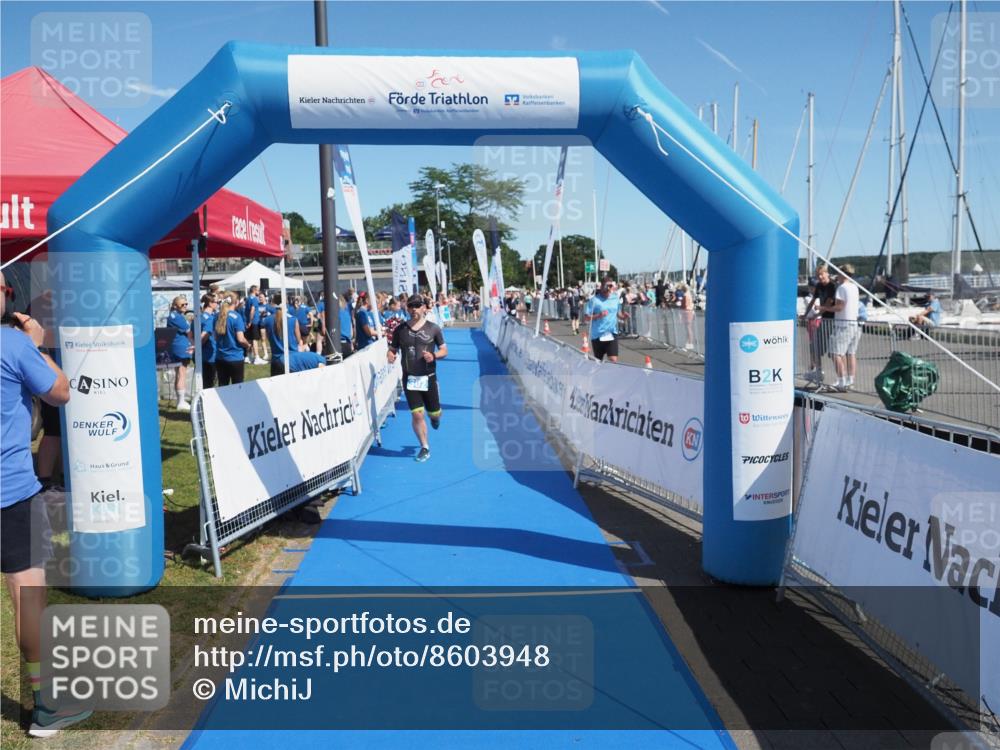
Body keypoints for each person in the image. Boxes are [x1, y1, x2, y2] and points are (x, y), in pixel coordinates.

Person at [1, 273, 91, 736]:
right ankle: (46, 706)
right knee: (27, 592)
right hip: (10, 492)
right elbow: (61, 391)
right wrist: (34, 344)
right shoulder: (12, 346)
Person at [387, 294, 448, 463]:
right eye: (410, 306)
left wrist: (434, 355)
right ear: (407, 308)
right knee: (417, 415)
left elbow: (444, 350)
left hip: (428, 377)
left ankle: (435, 417)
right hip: (410, 378)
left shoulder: (433, 328)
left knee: (434, 414)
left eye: (417, 305)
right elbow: (392, 349)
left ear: (423, 308)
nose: (413, 309)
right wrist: (390, 354)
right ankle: (424, 447)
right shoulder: (400, 330)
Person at [803, 264, 838, 385]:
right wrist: (805, 314)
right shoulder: (818, 286)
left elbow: (829, 303)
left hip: (833, 320)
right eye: (818, 275)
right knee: (815, 346)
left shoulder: (832, 286)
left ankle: (842, 378)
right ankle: (818, 371)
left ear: (827, 273)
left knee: (834, 352)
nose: (820, 277)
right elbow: (812, 301)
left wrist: (817, 314)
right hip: (824, 319)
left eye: (822, 274)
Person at [583, 277, 629, 363]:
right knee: (598, 362)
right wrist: (598, 315)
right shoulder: (594, 300)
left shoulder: (615, 298)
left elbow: (618, 314)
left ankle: (612, 375)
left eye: (610, 286)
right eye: (606, 286)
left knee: (613, 360)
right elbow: (586, 317)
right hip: (598, 335)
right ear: (601, 287)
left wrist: (623, 317)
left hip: (611, 333)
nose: (608, 289)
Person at [830, 264, 861, 392]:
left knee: (835, 352)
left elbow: (839, 307)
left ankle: (841, 381)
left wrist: (824, 308)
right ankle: (850, 380)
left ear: (842, 273)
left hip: (843, 324)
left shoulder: (842, 288)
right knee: (851, 353)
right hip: (855, 323)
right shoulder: (854, 287)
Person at [214, 295, 251, 386]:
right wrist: (248, 345)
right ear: (236, 302)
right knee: (237, 388)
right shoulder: (236, 317)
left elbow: (215, 337)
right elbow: (241, 339)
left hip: (220, 357)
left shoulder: (217, 316)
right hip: (235, 357)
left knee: (222, 388)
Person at [166, 296, 194, 410]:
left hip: (177, 346)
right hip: (181, 347)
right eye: (183, 304)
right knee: (181, 373)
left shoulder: (174, 316)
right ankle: (181, 402)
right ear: (175, 305)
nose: (185, 306)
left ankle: (180, 400)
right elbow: (189, 331)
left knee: (179, 373)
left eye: (186, 304)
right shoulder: (177, 317)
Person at [199, 293, 218, 389]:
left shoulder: (199, 316)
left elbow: (190, 334)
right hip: (210, 354)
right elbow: (204, 335)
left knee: (203, 382)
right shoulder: (210, 318)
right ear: (210, 303)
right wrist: (198, 346)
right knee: (209, 384)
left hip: (201, 355)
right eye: (216, 302)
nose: (217, 304)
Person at [339, 293, 354, 358]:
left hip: (336, 345)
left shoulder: (334, 314)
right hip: (347, 345)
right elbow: (351, 333)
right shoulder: (347, 314)